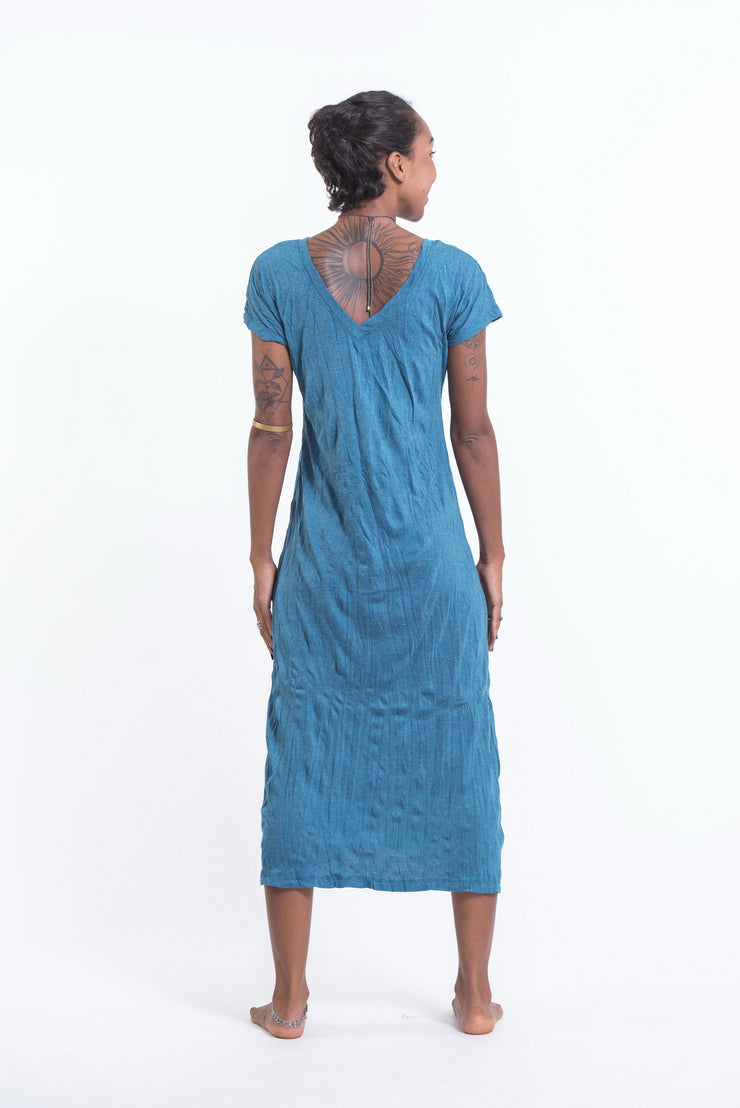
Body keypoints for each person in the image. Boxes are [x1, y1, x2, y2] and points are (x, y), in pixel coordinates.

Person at [243, 90, 506, 1038]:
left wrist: (261, 559)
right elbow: (472, 432)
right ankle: (474, 996)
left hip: (324, 567)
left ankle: (289, 1001)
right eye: (429, 152)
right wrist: (493, 555)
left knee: (302, 754)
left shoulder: (279, 273)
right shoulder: (453, 276)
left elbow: (272, 427)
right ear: (393, 164)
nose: (434, 169)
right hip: (433, 568)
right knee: (460, 752)